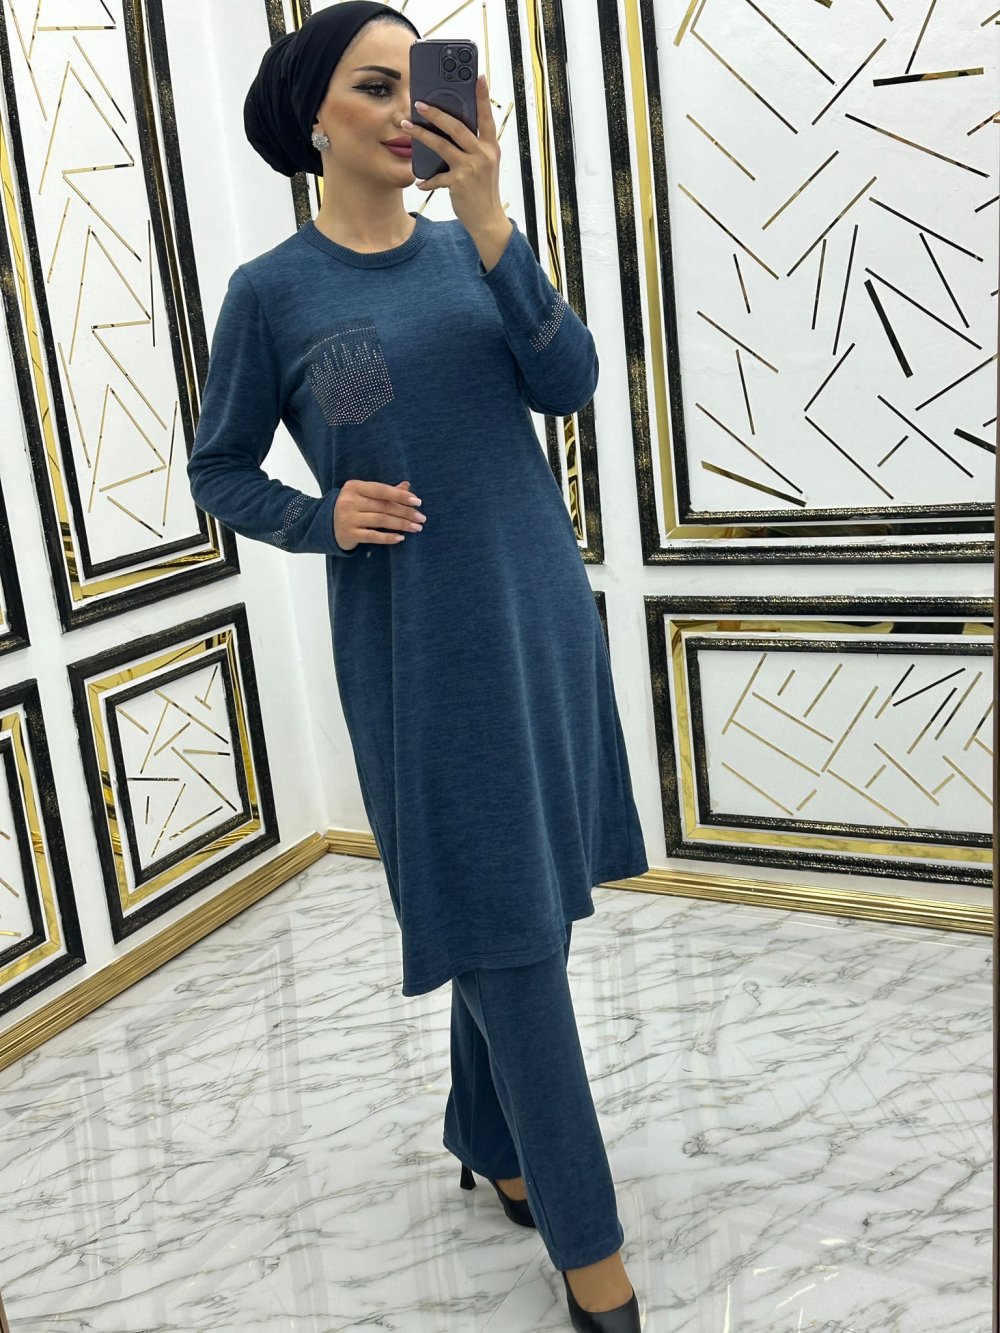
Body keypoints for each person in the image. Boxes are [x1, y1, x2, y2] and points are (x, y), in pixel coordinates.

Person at [188, 5, 647, 1328]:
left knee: (519, 903)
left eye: (423, 84)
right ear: (312, 115)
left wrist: (494, 218)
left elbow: (568, 384)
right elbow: (220, 467)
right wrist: (318, 515)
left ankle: (486, 1134)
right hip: (418, 642)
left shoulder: (474, 249)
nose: (408, 111)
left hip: (538, 611)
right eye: (374, 86)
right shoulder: (273, 293)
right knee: (504, 924)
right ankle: (593, 1251)